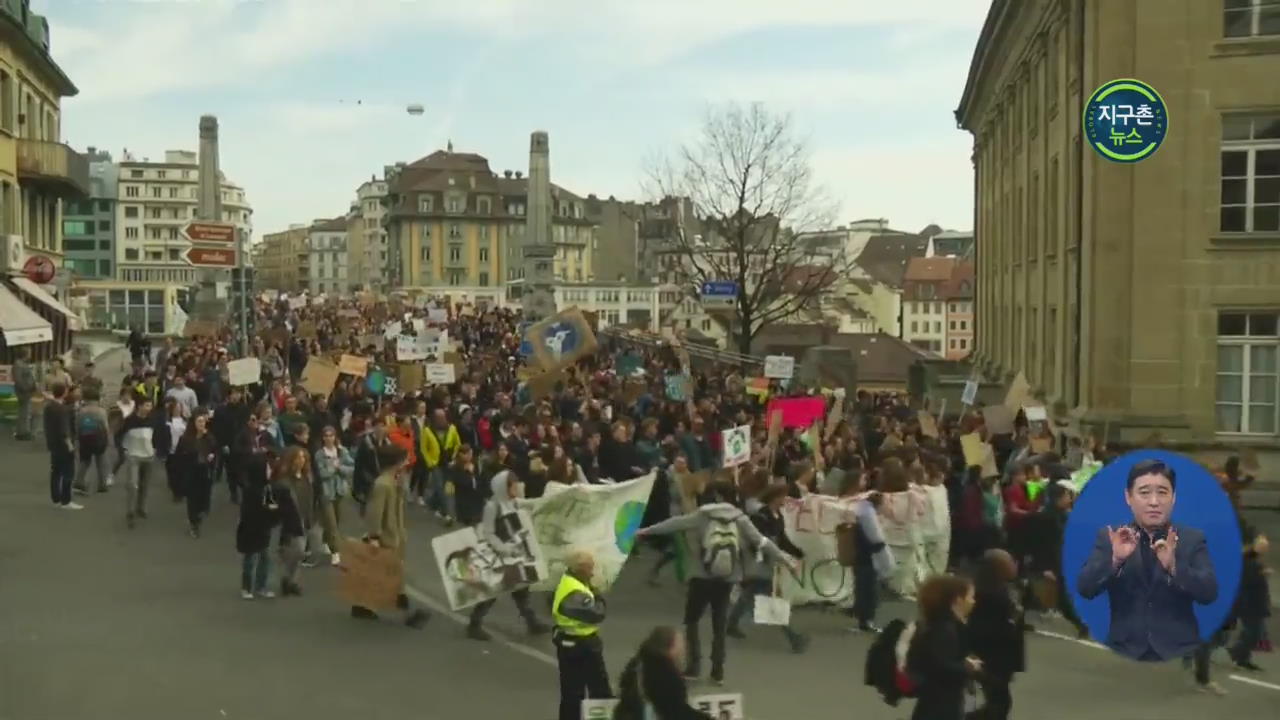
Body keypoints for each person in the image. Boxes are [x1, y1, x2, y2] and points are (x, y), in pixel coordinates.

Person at [637, 480, 798, 685]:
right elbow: (762, 542)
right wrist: (788, 561)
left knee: (692, 620)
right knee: (719, 623)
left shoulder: (703, 515)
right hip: (728, 577)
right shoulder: (741, 519)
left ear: (718, 496)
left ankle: (694, 667)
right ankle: (717, 671)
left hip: (701, 575)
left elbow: (674, 524)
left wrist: (645, 531)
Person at [1076, 459, 1218, 662]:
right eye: (1144, 493)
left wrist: (1174, 567)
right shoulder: (1111, 537)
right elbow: (1085, 588)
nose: (1154, 501)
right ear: (1129, 497)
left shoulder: (1192, 539)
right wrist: (1115, 560)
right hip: (1123, 650)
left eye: (1162, 492)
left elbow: (1209, 593)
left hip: (1179, 650)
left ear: (1173, 497)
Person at [351, 443, 430, 628]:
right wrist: (374, 537)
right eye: (403, 460)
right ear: (396, 462)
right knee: (394, 576)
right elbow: (375, 513)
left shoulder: (394, 481)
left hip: (395, 535)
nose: (406, 463)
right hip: (386, 537)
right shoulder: (382, 485)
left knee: (378, 575)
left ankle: (361, 606)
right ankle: (408, 614)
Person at [465, 468, 550, 641]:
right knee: (492, 591)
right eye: (513, 487)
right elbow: (488, 532)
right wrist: (504, 548)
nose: (516, 490)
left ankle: (531, 621)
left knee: (521, 588)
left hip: (515, 552)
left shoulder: (512, 503)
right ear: (504, 487)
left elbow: (531, 505)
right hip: (500, 553)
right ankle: (474, 624)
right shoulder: (492, 506)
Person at [726, 483, 809, 653]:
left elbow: (782, 539)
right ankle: (793, 637)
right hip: (760, 562)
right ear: (774, 497)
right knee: (771, 600)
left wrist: (797, 552)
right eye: (783, 496)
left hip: (768, 562)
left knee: (749, 595)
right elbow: (757, 541)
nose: (785, 500)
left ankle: (731, 624)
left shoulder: (778, 515)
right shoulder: (761, 516)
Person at [906, 574, 981, 720]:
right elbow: (940, 666)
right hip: (941, 706)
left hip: (933, 703)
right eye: (971, 597)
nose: (973, 602)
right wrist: (969, 668)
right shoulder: (946, 630)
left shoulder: (939, 623)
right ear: (958, 600)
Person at [552, 549, 611, 720]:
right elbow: (596, 614)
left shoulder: (572, 581)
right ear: (580, 568)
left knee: (572, 693)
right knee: (599, 691)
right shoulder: (574, 591)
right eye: (590, 568)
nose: (592, 571)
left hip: (570, 642)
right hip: (582, 645)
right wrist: (598, 594)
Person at [966, 549, 1025, 720]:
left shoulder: (1003, 588)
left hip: (1000, 658)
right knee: (999, 703)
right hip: (992, 658)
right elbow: (984, 629)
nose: (1014, 564)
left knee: (999, 702)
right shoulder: (988, 595)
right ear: (999, 568)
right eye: (1010, 562)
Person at [613, 626, 713, 720]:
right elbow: (676, 712)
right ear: (670, 648)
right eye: (680, 644)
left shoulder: (639, 663)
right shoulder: (666, 675)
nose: (684, 649)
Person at [235, 454, 279, 599]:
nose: (269, 470)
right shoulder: (252, 491)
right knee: (250, 558)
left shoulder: (266, 487)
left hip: (263, 527)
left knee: (265, 557)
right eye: (267, 468)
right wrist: (269, 509)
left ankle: (261, 586)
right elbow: (251, 511)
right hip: (251, 528)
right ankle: (246, 587)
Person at [1228, 527, 1270, 672]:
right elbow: (1246, 579)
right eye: (1262, 544)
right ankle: (1238, 655)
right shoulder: (1246, 560)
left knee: (1254, 632)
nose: (1265, 548)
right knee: (1253, 632)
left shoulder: (1251, 559)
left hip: (1254, 602)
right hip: (1249, 603)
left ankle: (1240, 655)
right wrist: (1261, 573)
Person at [313, 425, 354, 566]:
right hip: (326, 493)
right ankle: (335, 552)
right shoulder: (319, 454)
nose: (329, 438)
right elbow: (322, 474)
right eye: (326, 436)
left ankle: (326, 540)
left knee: (336, 520)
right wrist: (332, 468)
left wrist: (340, 468)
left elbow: (351, 468)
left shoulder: (342, 451)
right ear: (323, 438)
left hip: (340, 491)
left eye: (331, 435)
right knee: (332, 524)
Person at [117, 396, 159, 528]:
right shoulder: (129, 420)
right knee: (133, 484)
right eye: (147, 405)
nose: (149, 408)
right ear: (139, 406)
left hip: (149, 455)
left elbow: (157, 435)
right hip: (133, 455)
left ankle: (141, 507)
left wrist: (156, 448)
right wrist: (123, 449)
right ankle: (130, 511)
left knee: (144, 484)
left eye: (150, 406)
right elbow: (118, 435)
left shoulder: (152, 420)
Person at [176, 411, 219, 538]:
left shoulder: (209, 437)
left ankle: (200, 514)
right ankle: (194, 523)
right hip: (191, 472)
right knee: (192, 499)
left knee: (203, 498)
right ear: (193, 423)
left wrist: (213, 456)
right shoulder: (186, 438)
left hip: (205, 472)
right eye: (199, 421)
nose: (202, 424)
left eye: (203, 421)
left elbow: (215, 450)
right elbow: (180, 455)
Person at [44, 383, 79, 510]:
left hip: (53, 444)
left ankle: (56, 499)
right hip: (64, 445)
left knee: (56, 472)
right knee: (68, 473)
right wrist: (70, 445)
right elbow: (65, 430)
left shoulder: (49, 407)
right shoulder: (63, 409)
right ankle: (66, 500)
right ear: (64, 393)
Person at [73, 387, 112, 495]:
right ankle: (102, 484)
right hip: (99, 438)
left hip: (85, 438)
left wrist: (77, 439)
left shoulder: (81, 411)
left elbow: (77, 426)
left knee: (85, 461)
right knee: (101, 461)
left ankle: (79, 481)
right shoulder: (101, 411)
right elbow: (106, 427)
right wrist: (108, 439)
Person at [12, 347, 37, 440]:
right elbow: (18, 380)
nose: (30, 355)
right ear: (25, 354)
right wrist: (26, 388)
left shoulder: (22, 364)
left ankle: (23, 431)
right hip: (23, 392)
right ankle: (22, 433)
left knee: (26, 412)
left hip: (27, 391)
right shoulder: (18, 364)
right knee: (24, 412)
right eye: (29, 353)